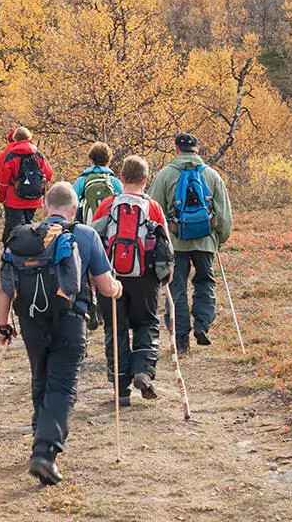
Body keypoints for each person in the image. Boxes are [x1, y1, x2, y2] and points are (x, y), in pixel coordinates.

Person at [0, 182, 122, 486]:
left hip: (30, 320)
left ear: (44, 206)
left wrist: (3, 325)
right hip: (70, 319)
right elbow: (106, 286)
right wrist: (117, 288)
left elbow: (4, 288)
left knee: (40, 376)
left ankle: (39, 436)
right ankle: (44, 452)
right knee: (62, 386)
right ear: (74, 208)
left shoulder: (23, 236)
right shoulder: (86, 234)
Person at [91, 155, 173, 406]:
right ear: (146, 179)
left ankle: (120, 388)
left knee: (115, 328)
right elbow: (165, 244)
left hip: (110, 276)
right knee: (146, 323)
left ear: (121, 178)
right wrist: (167, 273)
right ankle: (143, 370)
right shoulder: (153, 207)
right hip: (145, 276)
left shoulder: (107, 205)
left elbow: (92, 240)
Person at [148, 133, 232, 355]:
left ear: (176, 150)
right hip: (205, 242)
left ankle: (181, 340)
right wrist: (220, 238)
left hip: (175, 243)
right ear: (197, 150)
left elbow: (154, 211)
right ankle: (202, 324)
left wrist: (158, 241)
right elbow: (224, 214)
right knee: (205, 282)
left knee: (176, 288)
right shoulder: (212, 175)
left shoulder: (165, 175)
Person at [0, 126, 53, 245]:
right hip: (34, 197)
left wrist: (2, 196)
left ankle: (13, 250)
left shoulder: (11, 155)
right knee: (28, 224)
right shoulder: (37, 154)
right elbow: (49, 173)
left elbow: (3, 180)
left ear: (15, 138)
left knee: (17, 227)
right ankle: (27, 250)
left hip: (14, 198)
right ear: (29, 137)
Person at [72, 141, 123, 224]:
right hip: (109, 226)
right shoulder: (115, 182)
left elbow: (72, 205)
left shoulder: (81, 181)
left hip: (86, 226)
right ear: (108, 161)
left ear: (91, 160)